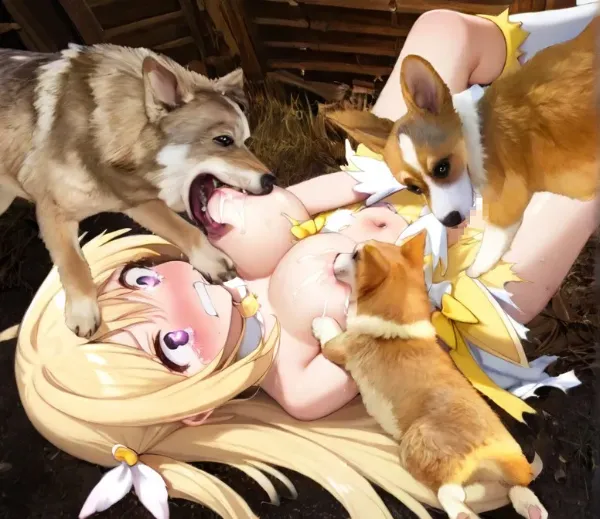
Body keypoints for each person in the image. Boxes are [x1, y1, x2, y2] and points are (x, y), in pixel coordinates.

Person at [15, 4, 597, 519]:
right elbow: (382, 356)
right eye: (167, 343)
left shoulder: (229, 255)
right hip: (462, 279)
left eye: (138, 281)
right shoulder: (289, 378)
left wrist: (363, 182)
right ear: (194, 411)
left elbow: (304, 199)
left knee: (440, 30)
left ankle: (555, 39)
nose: (172, 297)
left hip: (391, 191)